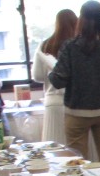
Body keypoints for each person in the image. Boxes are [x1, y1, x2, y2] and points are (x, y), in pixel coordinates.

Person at [49, 0, 100, 164]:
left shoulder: (70, 46)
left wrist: (50, 72)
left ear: (81, 19)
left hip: (76, 113)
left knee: (78, 162)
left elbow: (58, 80)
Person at [32, 8, 78, 144]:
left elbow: (37, 76)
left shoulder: (45, 45)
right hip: (76, 103)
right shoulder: (78, 45)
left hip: (53, 103)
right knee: (78, 151)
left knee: (54, 149)